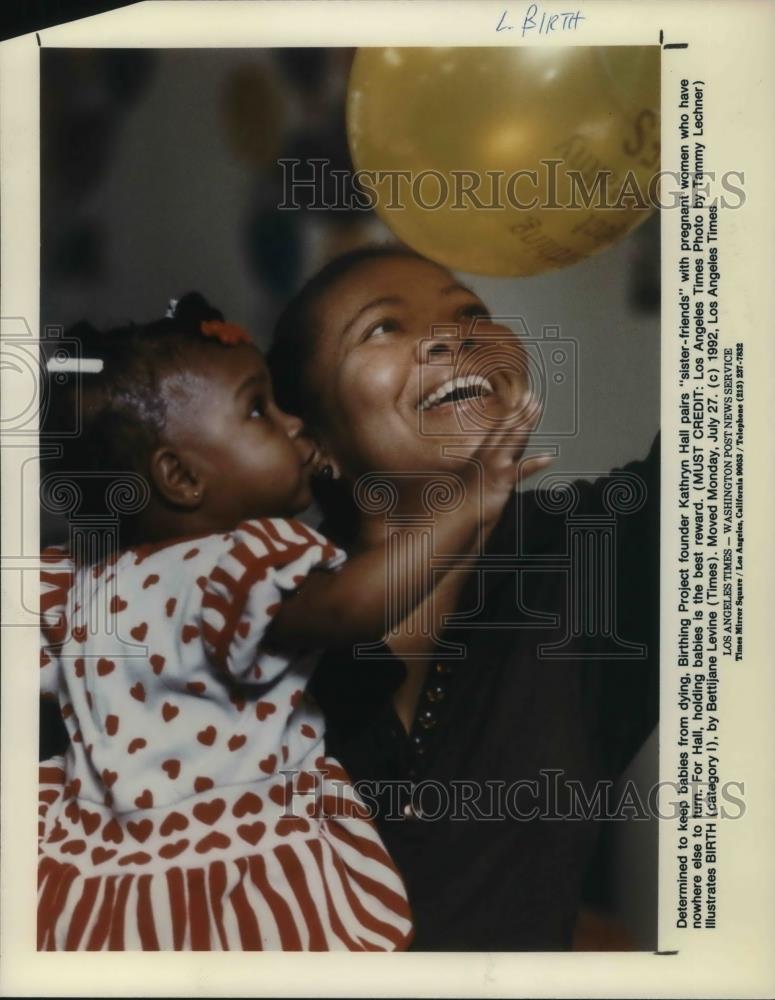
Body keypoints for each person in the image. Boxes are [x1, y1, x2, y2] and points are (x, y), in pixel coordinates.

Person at [37, 291, 540, 951]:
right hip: (238, 864)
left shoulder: (80, 584)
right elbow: (352, 608)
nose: (294, 424)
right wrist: (472, 503)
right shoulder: (233, 565)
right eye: (258, 410)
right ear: (180, 477)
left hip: (112, 870)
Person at [268, 244, 660, 951]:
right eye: (382, 327)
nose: (452, 337)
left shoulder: (596, 553)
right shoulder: (252, 606)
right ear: (312, 442)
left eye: (471, 314)